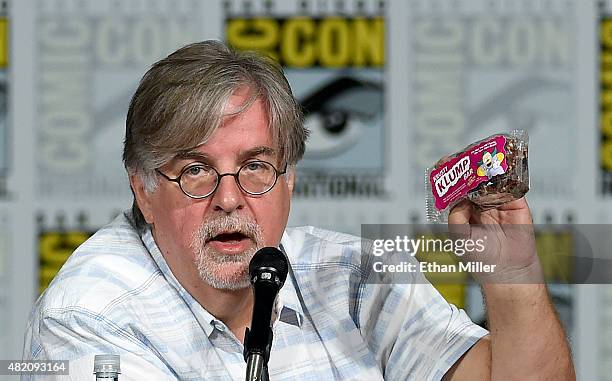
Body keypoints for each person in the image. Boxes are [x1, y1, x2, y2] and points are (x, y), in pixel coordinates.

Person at [23, 40, 574, 380]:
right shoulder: (90, 317)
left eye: (257, 166)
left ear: (289, 179)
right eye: (195, 170)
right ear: (142, 188)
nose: (230, 197)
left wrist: (512, 276)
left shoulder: (356, 277)